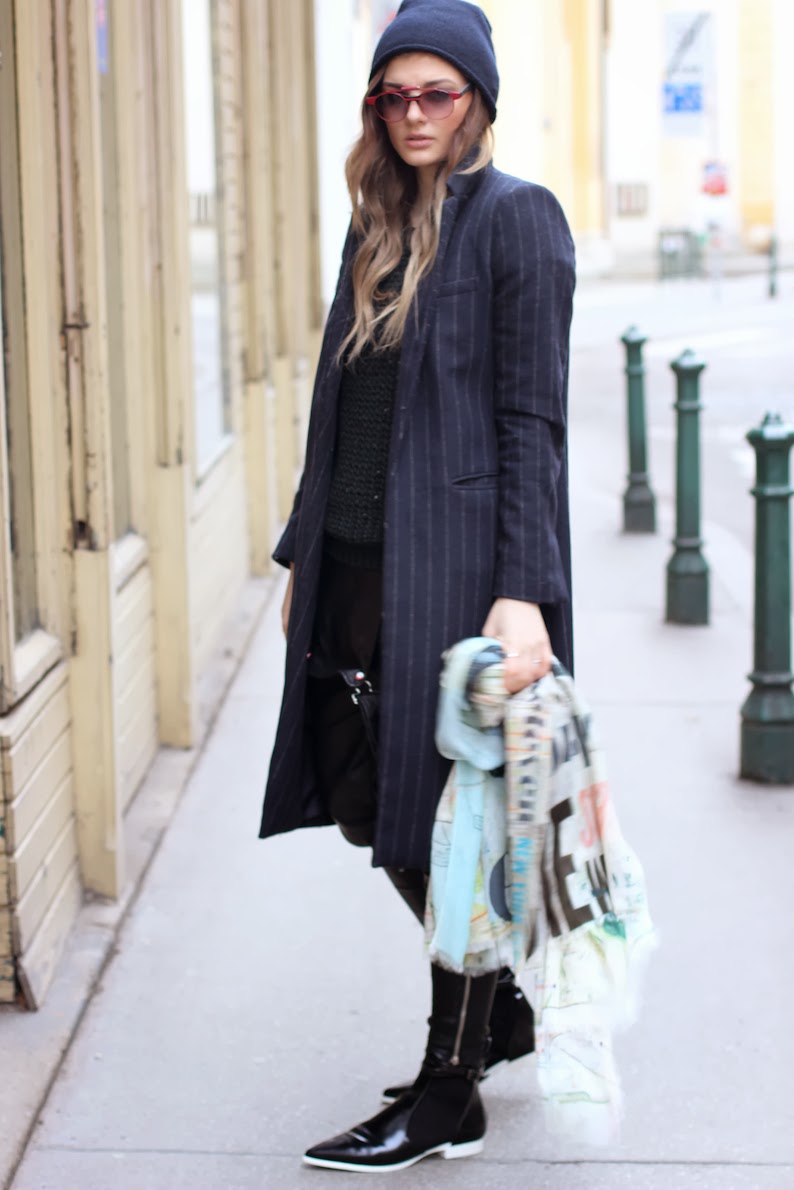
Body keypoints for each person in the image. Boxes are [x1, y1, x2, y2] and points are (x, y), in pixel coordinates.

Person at [259, 0, 576, 1171]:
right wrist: (303, 553)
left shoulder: (516, 218)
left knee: (451, 823)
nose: (411, 114)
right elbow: (338, 410)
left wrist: (523, 590)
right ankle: (500, 1012)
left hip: (456, 575)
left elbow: (531, 419)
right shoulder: (376, 223)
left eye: (434, 93)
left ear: (477, 99)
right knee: (371, 804)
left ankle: (450, 1087)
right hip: (353, 566)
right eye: (392, 96)